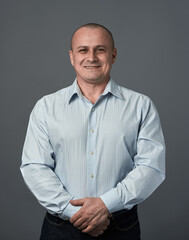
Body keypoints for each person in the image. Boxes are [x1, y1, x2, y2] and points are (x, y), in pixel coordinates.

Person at [20, 23, 166, 240]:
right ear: (71, 57)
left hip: (120, 227)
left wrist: (106, 205)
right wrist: (76, 213)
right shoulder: (46, 107)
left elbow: (151, 167)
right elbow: (35, 167)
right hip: (60, 227)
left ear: (113, 55)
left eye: (100, 49)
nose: (91, 57)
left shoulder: (141, 106)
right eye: (83, 50)